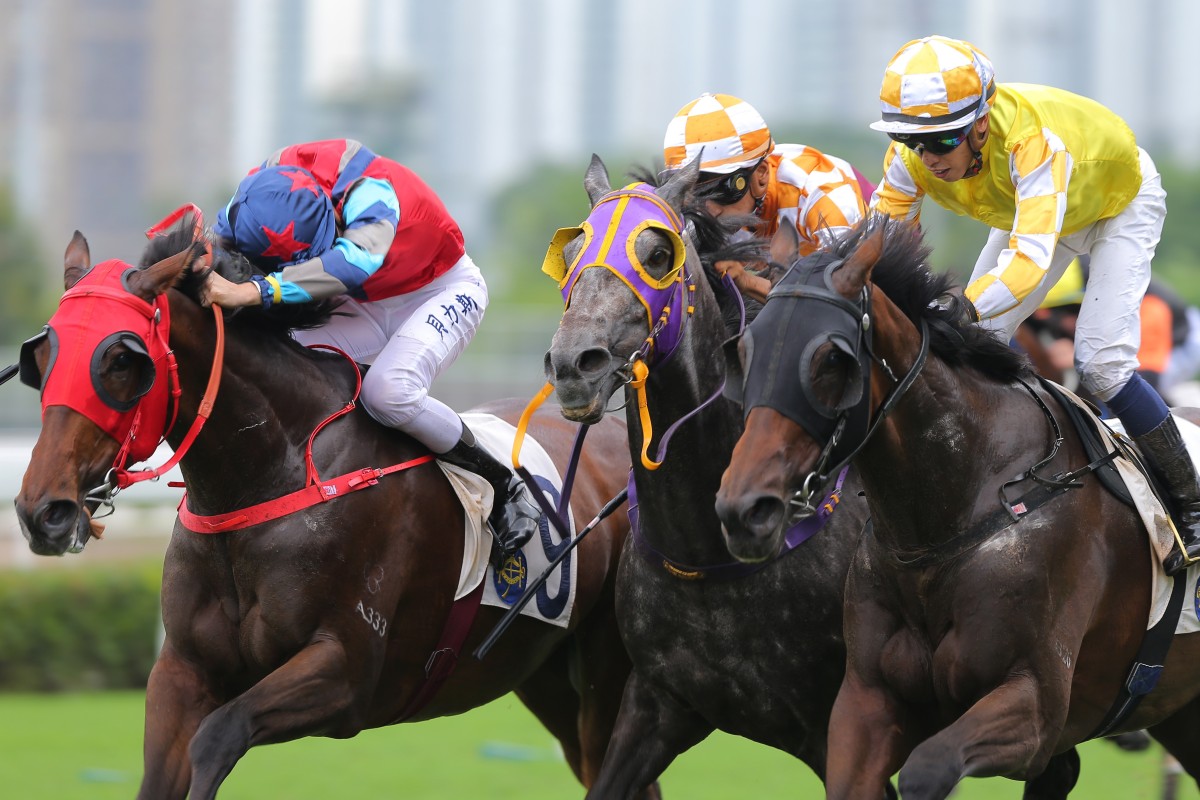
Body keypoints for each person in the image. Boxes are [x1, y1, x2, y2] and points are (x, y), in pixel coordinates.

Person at [868, 35, 1200, 575]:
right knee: (974, 347)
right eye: (911, 140)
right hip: (1039, 210)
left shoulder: (1031, 142)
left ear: (981, 124)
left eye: (942, 140)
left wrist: (959, 307)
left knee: (1102, 362)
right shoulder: (909, 160)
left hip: (1118, 205)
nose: (927, 158)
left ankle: (1192, 502)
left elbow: (1028, 260)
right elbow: (879, 245)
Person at [201, 138, 539, 566]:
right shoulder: (253, 197)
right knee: (281, 366)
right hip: (364, 300)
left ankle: (502, 484)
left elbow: (354, 263)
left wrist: (255, 291)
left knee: (389, 392)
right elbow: (215, 249)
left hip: (440, 289)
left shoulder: (371, 190)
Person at [662, 92, 872, 302]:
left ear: (760, 175)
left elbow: (844, 297)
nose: (711, 210)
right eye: (696, 194)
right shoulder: (699, 214)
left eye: (721, 191)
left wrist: (747, 281)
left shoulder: (823, 197)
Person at [1024, 256, 1200, 406]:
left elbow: (1145, 379)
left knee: (1115, 382)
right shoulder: (1044, 309)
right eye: (1053, 313)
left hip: (1180, 343)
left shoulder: (1149, 309)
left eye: (1073, 310)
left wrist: (1083, 354)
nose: (1065, 321)